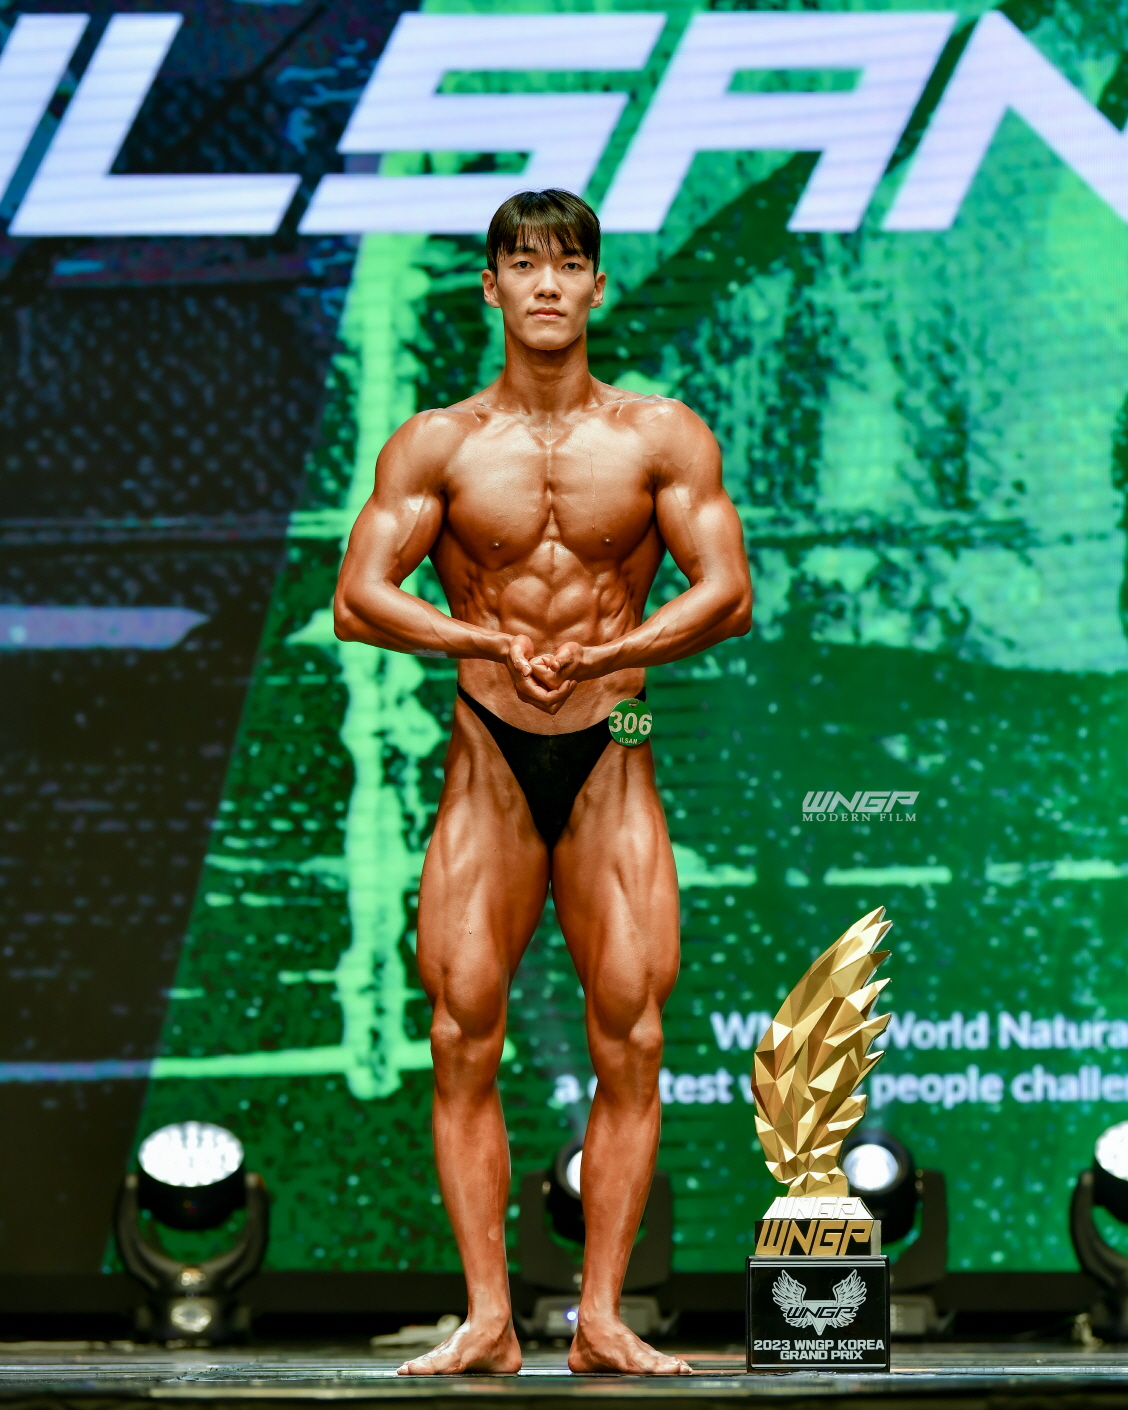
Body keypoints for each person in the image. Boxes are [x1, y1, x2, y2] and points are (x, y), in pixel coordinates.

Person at [334, 188, 752, 1375]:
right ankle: (487, 1318)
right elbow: (359, 599)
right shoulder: (439, 444)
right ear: (492, 288)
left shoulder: (661, 436)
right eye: (524, 265)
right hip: (489, 751)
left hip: (617, 739)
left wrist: (614, 655)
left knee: (634, 1034)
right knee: (461, 1030)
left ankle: (603, 1318)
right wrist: (485, 640)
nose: (549, 285)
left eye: (569, 264)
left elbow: (727, 593)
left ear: (599, 287)